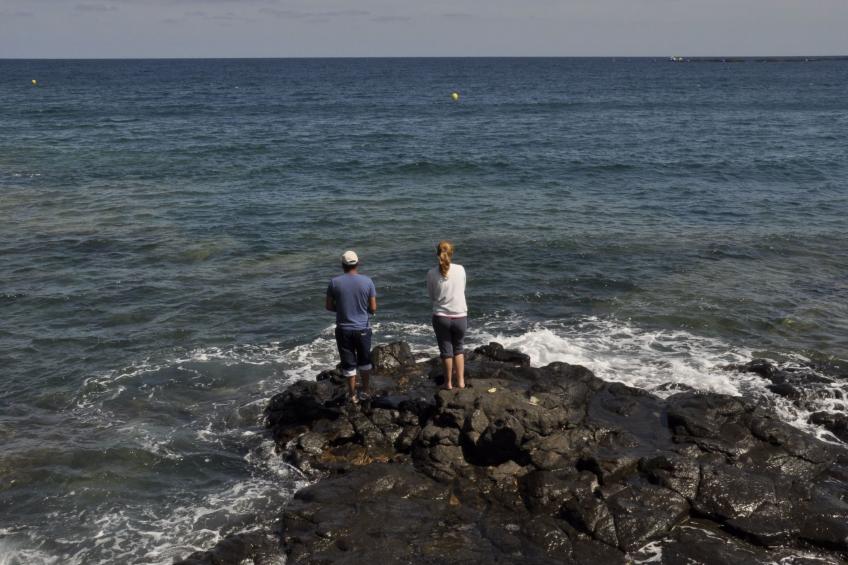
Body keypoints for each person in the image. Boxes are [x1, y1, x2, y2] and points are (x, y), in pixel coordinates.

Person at [326, 250, 377, 403]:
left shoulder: (334, 282)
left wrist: (342, 309)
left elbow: (329, 306)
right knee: (365, 361)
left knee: (349, 364)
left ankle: (352, 394)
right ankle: (365, 391)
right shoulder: (367, 281)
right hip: (363, 328)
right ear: (357, 263)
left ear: (342, 265)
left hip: (344, 329)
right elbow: (373, 308)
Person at [426, 241, 467, 389]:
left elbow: (432, 296)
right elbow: (462, 288)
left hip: (441, 317)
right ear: (451, 253)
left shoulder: (431, 273)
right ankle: (461, 382)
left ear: (437, 253)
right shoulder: (461, 269)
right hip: (460, 316)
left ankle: (448, 383)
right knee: (459, 349)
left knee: (446, 351)